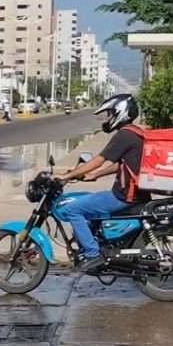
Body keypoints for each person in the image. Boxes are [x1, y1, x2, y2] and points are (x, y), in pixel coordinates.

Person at [55, 94, 145, 272]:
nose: (108, 118)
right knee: (89, 204)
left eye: (110, 113)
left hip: (123, 195)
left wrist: (66, 175)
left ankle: (92, 253)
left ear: (121, 113)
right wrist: (96, 175)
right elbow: (123, 164)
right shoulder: (136, 133)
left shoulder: (124, 135)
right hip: (136, 193)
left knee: (73, 209)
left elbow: (98, 160)